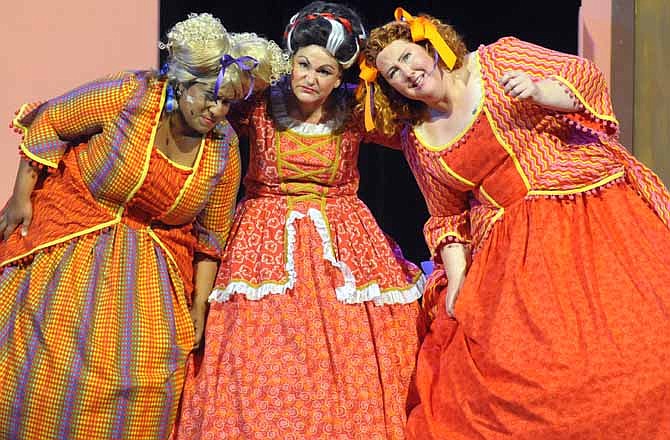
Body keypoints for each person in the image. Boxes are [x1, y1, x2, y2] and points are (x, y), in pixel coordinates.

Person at [358, 7, 670, 439]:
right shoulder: (420, 138)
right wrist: (458, 280)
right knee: (521, 365)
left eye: (409, 57)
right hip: (508, 240)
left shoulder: (497, 60)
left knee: (630, 337)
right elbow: (446, 214)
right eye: (393, 72)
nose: (407, 72)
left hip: (580, 203)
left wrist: (541, 91)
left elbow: (584, 77)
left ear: (431, 48)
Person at [0, 13, 288, 439]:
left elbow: (210, 238)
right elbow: (51, 122)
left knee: (146, 377)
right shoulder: (131, 94)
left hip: (153, 269)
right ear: (181, 81)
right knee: (49, 359)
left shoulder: (223, 147)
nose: (216, 110)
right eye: (208, 97)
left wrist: (199, 308)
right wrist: (20, 196)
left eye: (226, 102)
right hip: (74, 235)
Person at [173, 2, 425, 439]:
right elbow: (205, 113)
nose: (310, 77)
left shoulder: (355, 109)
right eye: (303, 65)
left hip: (344, 237)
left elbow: (415, 134)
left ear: (340, 77)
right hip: (262, 237)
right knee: (260, 350)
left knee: (358, 355)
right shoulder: (259, 104)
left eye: (324, 71)